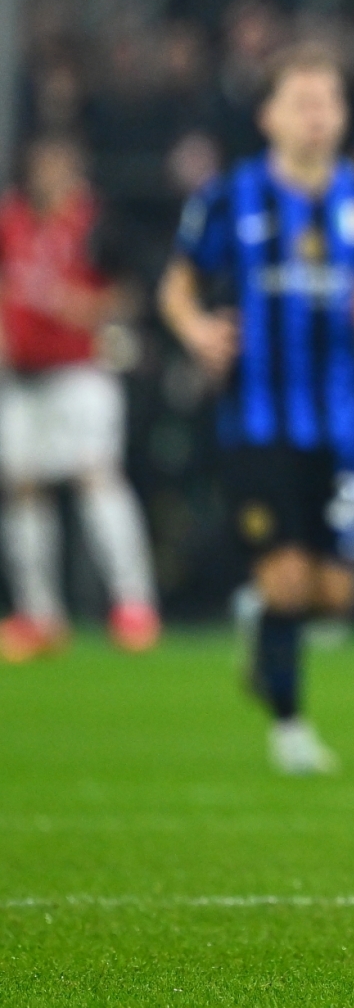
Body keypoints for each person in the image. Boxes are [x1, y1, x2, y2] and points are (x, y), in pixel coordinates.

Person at [160, 45, 354, 773]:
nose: (314, 115)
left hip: (342, 427)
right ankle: (290, 725)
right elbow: (177, 286)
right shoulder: (229, 198)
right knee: (288, 579)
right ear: (268, 114)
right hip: (256, 424)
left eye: (326, 101)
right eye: (300, 100)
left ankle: (260, 623)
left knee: (334, 596)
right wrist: (198, 329)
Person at [0, 134, 161, 662]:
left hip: (82, 371)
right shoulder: (13, 221)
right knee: (23, 487)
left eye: (60, 165)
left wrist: (88, 307)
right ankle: (39, 614)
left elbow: (132, 290)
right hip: (22, 374)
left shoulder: (97, 223)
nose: (51, 176)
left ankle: (134, 605)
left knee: (96, 478)